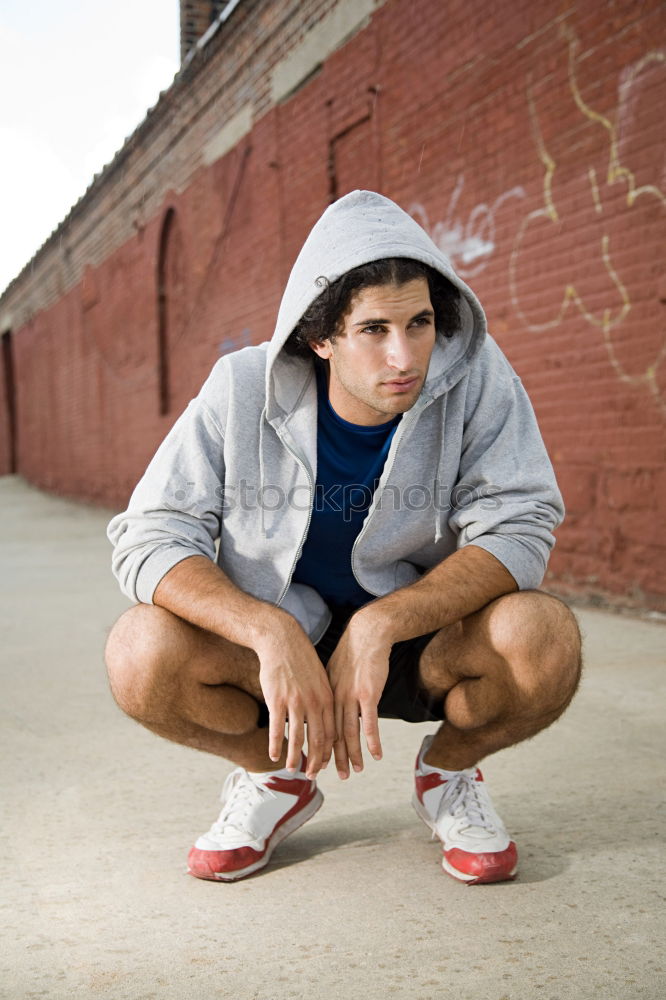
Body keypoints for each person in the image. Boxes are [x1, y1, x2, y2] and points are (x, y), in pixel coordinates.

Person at [106, 190, 582, 885]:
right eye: (374, 329)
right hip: (279, 641)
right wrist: (267, 630)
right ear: (321, 337)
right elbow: (150, 534)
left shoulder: (476, 378)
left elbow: (520, 522)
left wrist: (382, 623)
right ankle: (275, 781)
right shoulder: (240, 389)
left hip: (422, 637)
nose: (405, 355)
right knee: (138, 653)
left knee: (544, 638)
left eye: (420, 322)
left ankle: (448, 774)